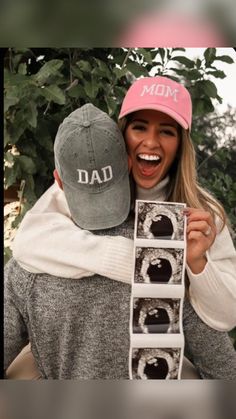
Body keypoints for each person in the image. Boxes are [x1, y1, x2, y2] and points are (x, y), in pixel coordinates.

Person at [7, 76, 236, 379]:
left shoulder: (201, 217)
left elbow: (225, 317)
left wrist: (197, 265)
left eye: (166, 131)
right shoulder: (79, 185)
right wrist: (131, 257)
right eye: (139, 127)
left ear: (181, 144)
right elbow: (28, 243)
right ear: (120, 136)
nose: (151, 142)